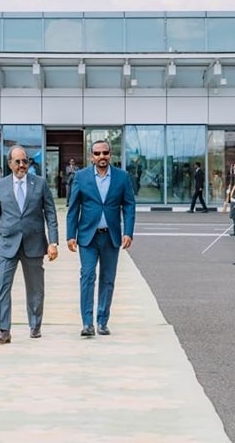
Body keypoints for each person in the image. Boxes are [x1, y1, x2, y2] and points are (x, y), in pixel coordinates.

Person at [0, 145, 59, 344]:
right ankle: (4, 330)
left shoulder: (40, 183)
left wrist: (53, 242)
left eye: (24, 161)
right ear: (10, 163)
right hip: (6, 245)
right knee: (3, 288)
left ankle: (35, 326)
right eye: (17, 161)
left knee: (36, 288)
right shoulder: (1, 185)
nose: (21, 165)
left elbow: (50, 214)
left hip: (34, 244)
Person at [66, 139, 136, 337]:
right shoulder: (81, 177)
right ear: (92, 156)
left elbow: (129, 205)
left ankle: (102, 321)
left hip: (111, 237)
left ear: (110, 155)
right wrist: (70, 235)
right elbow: (73, 207)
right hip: (87, 237)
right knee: (87, 277)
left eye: (105, 153)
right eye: (97, 153)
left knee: (108, 279)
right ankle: (87, 323)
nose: (101, 156)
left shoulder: (122, 177)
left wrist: (128, 232)